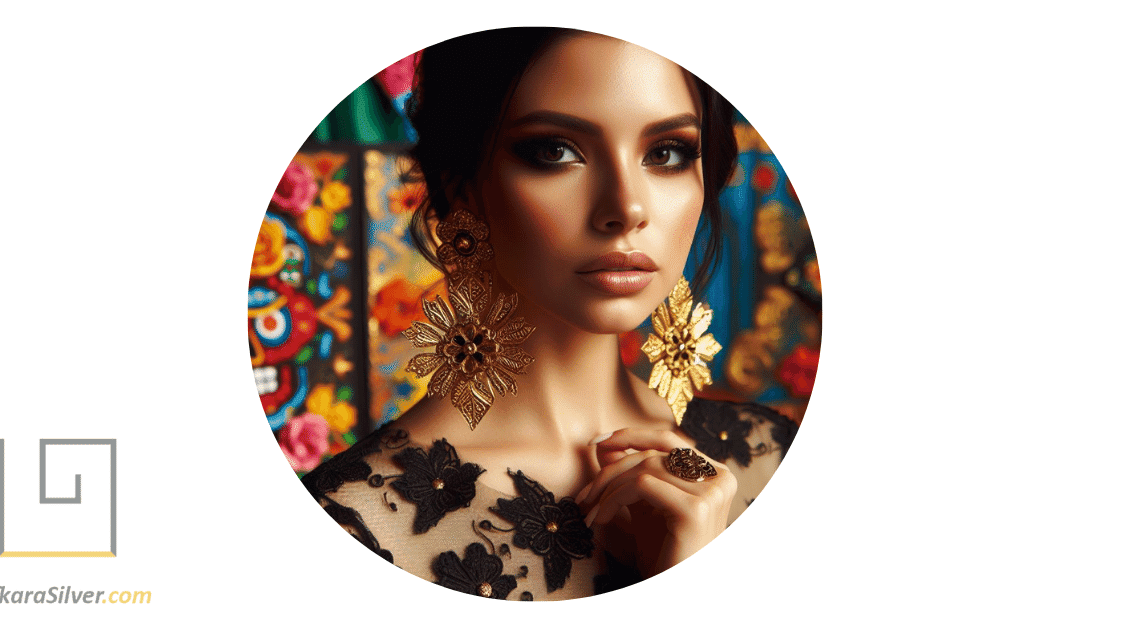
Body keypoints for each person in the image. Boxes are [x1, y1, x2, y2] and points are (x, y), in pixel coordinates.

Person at [302, 27, 798, 601]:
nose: (627, 208)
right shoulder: (353, 527)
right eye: (555, 151)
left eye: (666, 154)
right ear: (459, 186)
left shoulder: (773, 457)